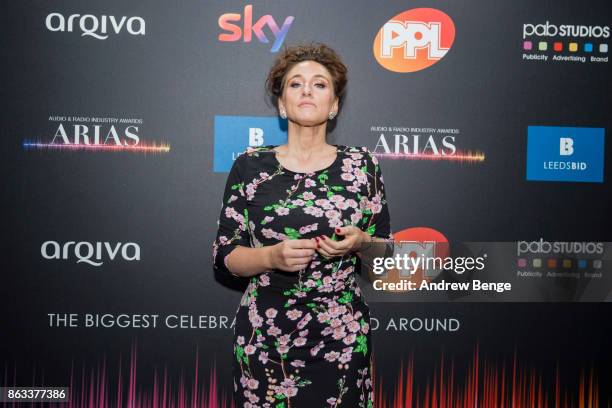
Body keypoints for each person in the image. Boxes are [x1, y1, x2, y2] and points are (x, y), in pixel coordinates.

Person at [212, 42, 392, 407]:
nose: (307, 90)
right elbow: (225, 256)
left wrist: (360, 243)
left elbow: (386, 259)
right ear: (281, 103)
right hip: (265, 336)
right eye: (295, 83)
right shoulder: (250, 166)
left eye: (320, 84)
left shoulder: (362, 166)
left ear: (335, 104)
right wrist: (271, 257)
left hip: (341, 338)